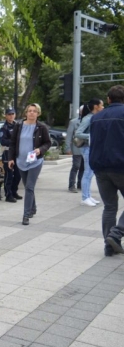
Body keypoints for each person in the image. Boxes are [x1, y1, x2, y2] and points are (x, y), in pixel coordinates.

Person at [89, 85, 124, 256]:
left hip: (100, 167)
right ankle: (116, 234)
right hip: (120, 166)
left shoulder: (96, 117)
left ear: (108, 100)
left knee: (110, 207)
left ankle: (109, 246)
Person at [8, 103, 52, 225]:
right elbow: (12, 143)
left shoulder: (41, 127)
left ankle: (26, 215)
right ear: (26, 113)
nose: (32, 113)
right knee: (28, 186)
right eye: (29, 111)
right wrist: (11, 158)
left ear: (38, 113)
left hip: (35, 162)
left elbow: (48, 143)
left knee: (29, 187)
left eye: (34, 111)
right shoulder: (19, 126)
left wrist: (40, 150)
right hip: (21, 161)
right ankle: (33, 208)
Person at [75, 98, 105, 206]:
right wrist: (91, 136)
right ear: (96, 106)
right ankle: (85, 197)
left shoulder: (94, 117)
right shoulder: (88, 119)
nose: (103, 107)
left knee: (90, 173)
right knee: (87, 173)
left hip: (91, 148)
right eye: (101, 105)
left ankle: (88, 195)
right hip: (87, 148)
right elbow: (78, 133)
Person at [0, 107, 22, 202]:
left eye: (12, 114)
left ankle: (14, 191)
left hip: (17, 153)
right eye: (9, 114)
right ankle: (8, 195)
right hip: (7, 153)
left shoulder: (18, 125)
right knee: (9, 174)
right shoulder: (4, 128)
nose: (11, 116)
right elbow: (2, 140)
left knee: (18, 174)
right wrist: (14, 141)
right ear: (6, 116)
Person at [65, 106, 85, 193]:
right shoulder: (73, 122)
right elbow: (69, 136)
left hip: (86, 148)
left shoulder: (89, 120)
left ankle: (80, 184)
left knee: (83, 168)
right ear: (80, 112)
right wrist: (67, 148)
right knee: (76, 166)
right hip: (77, 148)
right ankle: (71, 185)